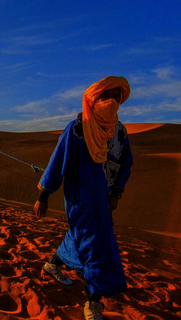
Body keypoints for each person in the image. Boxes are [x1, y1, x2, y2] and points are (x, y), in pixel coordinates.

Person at [33, 76, 133, 320]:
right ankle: (93, 303)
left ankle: (53, 264)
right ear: (94, 100)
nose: (111, 102)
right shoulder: (77, 130)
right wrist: (43, 196)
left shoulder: (119, 132)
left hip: (105, 199)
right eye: (105, 97)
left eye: (115, 97)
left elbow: (126, 164)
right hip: (81, 199)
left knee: (81, 238)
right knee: (97, 245)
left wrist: (117, 193)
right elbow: (57, 164)